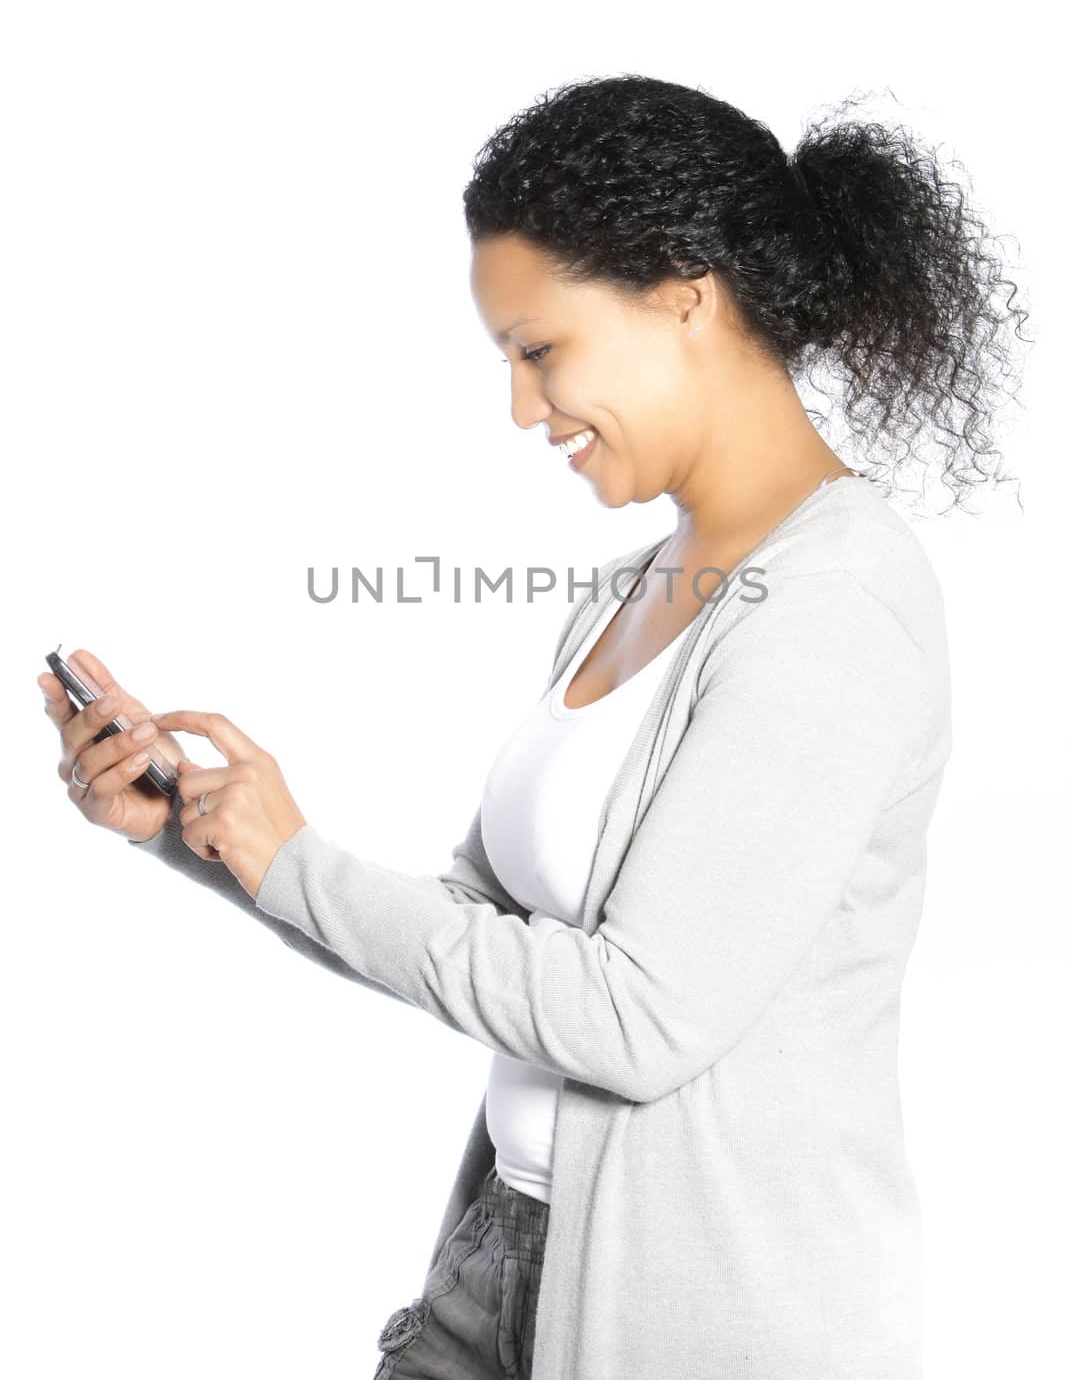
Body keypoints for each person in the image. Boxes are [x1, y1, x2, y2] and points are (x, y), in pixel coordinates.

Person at [39, 74, 1029, 1380]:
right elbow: (484, 936)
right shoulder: (635, 588)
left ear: (686, 296)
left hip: (697, 1327)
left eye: (541, 349)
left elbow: (637, 1015)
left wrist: (297, 864)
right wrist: (209, 833)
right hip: (499, 1265)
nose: (519, 407)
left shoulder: (838, 603)